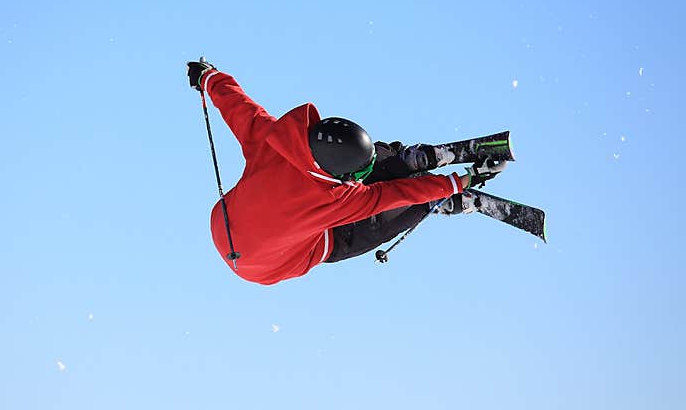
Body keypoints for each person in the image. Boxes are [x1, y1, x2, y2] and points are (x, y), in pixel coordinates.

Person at [187, 59, 506, 285]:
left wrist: (209, 78)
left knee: (372, 193)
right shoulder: (336, 200)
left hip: (228, 226)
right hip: (276, 261)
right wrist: (460, 182)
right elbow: (396, 194)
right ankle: (416, 180)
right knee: (382, 213)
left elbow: (240, 109)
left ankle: (406, 167)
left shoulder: (274, 142)